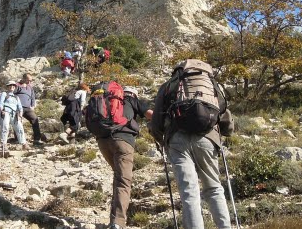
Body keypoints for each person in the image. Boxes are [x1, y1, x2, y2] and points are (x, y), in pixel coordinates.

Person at [149, 60, 234, 229]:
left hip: (177, 140)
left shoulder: (169, 86)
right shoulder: (212, 85)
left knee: (189, 192)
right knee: (214, 188)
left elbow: (156, 121)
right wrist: (223, 133)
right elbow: (226, 119)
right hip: (207, 139)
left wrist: (162, 140)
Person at [94, 84, 152, 229]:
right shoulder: (132, 99)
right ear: (133, 94)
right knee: (123, 181)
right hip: (123, 141)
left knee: (118, 177)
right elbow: (150, 114)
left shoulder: (107, 99)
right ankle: (118, 223)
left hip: (103, 141)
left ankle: (114, 219)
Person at [0, 80, 27, 154]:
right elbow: (1, 103)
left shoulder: (16, 97)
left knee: (19, 128)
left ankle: (23, 144)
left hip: (14, 114)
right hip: (6, 112)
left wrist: (20, 114)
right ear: (8, 87)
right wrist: (2, 110)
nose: (12, 87)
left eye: (13, 86)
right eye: (10, 85)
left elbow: (20, 107)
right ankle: (3, 144)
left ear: (15, 87)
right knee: (5, 127)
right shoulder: (4, 94)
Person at [16, 73, 44, 145]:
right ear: (24, 79)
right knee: (18, 122)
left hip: (28, 108)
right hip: (19, 108)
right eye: (28, 80)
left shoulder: (30, 87)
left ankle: (37, 139)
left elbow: (32, 97)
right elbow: (12, 94)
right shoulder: (17, 85)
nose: (30, 82)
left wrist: (33, 105)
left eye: (31, 80)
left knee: (35, 119)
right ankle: (18, 139)